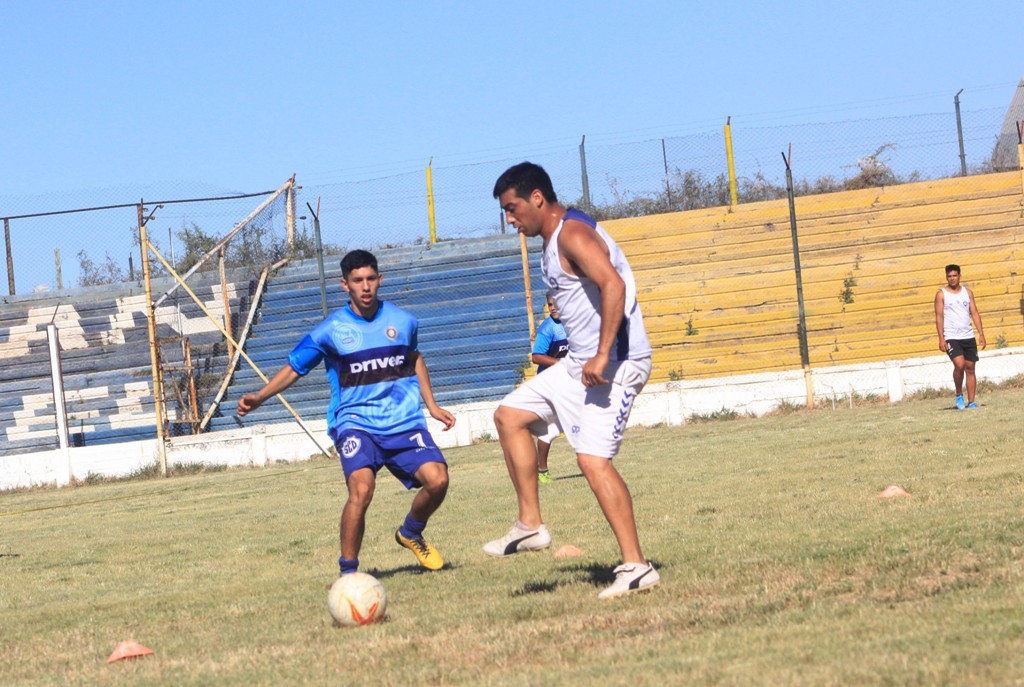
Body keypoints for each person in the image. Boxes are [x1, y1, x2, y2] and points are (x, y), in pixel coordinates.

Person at [484, 162, 659, 600]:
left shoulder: (572, 235)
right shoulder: (553, 237)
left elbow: (613, 284)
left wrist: (602, 354)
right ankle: (530, 526)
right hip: (576, 366)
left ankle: (637, 566)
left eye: (512, 208)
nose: (510, 219)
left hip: (615, 365)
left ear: (537, 198)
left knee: (592, 462)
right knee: (509, 417)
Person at [236, 249, 456, 576]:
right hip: (355, 424)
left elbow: (415, 358)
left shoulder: (404, 321)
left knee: (438, 481)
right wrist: (260, 396)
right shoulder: (330, 330)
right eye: (357, 281)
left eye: (370, 279)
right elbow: (295, 368)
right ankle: (348, 574)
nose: (365, 287)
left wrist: (432, 405)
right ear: (345, 285)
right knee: (362, 490)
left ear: (379, 280)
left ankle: (410, 532)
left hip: (403, 421)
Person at [934, 263, 986, 409]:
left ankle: (972, 401)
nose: (952, 278)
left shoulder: (967, 293)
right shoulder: (941, 294)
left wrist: (981, 333)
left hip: (968, 336)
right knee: (960, 365)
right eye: (949, 276)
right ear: (946, 277)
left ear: (959, 276)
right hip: (951, 336)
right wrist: (941, 338)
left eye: (954, 275)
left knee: (970, 368)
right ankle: (958, 395)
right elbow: (939, 317)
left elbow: (974, 313)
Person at [531, 292, 568, 484]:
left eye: (556, 304)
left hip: (570, 381)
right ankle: (541, 470)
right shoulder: (548, 328)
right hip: (550, 383)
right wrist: (561, 364)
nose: (552, 308)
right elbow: (536, 356)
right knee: (551, 429)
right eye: (549, 305)